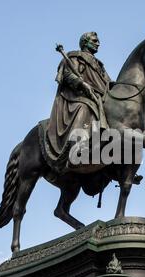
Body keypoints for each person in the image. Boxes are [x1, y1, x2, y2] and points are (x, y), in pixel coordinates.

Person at [46, 32, 111, 173]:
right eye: (94, 40)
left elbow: (108, 84)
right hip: (76, 97)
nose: (98, 43)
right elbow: (67, 74)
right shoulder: (74, 57)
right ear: (85, 42)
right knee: (84, 108)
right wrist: (82, 84)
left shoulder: (99, 65)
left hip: (98, 97)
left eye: (98, 41)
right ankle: (76, 146)